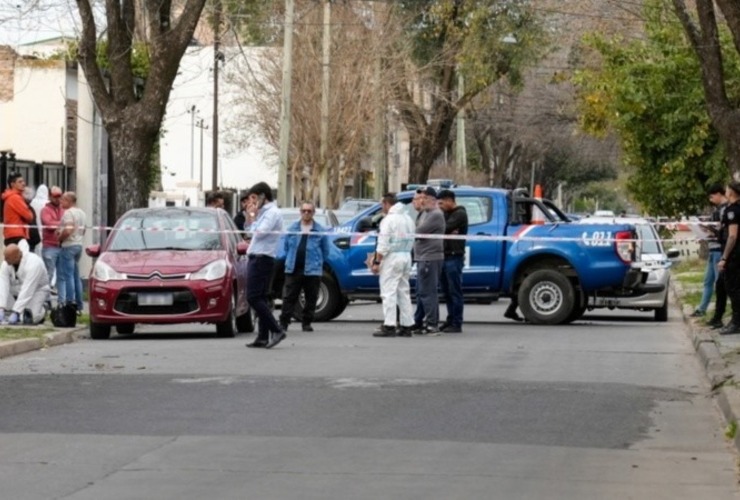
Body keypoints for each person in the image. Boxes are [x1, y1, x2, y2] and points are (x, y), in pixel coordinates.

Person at [244, 182, 286, 349]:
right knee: (260, 297)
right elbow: (248, 231)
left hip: (262, 258)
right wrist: (250, 217)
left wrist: (254, 217)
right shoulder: (263, 212)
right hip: (256, 256)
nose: (252, 202)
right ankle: (262, 336)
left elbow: (260, 233)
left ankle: (276, 330)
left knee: (253, 297)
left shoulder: (272, 213)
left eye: (254, 198)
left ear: (263, 196)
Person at [278, 201, 331, 332]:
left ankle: (306, 322)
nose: (306, 213)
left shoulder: (320, 230)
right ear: (300, 212)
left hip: (312, 269)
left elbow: (326, 250)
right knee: (289, 297)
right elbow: (286, 247)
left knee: (311, 297)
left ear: (313, 213)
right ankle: (284, 322)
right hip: (293, 268)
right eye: (304, 211)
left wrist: (318, 262)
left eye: (309, 211)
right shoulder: (292, 229)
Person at [372, 193, 416, 337]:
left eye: (381, 205)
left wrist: (377, 262)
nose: (381, 208)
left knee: (388, 292)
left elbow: (383, 244)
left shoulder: (389, 220)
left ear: (386, 203)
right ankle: (407, 325)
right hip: (406, 255)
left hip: (392, 258)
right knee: (403, 291)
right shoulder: (408, 218)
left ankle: (389, 325)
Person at [412, 186, 445, 334]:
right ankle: (418, 321)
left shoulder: (435, 214)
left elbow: (418, 232)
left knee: (428, 292)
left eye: (424, 198)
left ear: (432, 200)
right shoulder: (425, 214)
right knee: (421, 292)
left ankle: (432, 323)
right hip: (422, 257)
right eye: (420, 198)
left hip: (429, 258)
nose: (421, 201)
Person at [691, 184, 727, 318]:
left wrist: (708, 230)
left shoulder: (724, 210)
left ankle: (719, 313)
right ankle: (702, 308)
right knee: (708, 281)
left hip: (718, 249)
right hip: (712, 249)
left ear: (719, 194)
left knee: (719, 284)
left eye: (712, 197)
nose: (711, 200)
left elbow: (723, 231)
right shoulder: (717, 209)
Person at [438, 189, 468, 333]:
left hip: (454, 256)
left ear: (450, 201)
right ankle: (450, 319)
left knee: (455, 291)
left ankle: (457, 322)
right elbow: (442, 228)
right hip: (444, 255)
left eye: (442, 203)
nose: (440, 206)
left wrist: (446, 229)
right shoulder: (445, 214)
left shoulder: (460, 214)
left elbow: (444, 228)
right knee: (446, 291)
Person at [0, 244, 50, 325]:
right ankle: (10, 311)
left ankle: (43, 309)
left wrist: (16, 311)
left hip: (37, 289)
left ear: (16, 257)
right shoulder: (7, 263)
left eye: (7, 258)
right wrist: (1, 307)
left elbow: (28, 289)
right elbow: (3, 284)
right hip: (18, 287)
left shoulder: (34, 263)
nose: (5, 260)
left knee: (30, 318)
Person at [717, 182, 740, 335]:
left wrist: (724, 257)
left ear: (731, 192)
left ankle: (736, 323)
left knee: (733, 289)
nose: (724, 190)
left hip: (735, 256)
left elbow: (732, 236)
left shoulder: (732, 211)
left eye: (726, 189)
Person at [57, 192, 86, 312]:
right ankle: (79, 305)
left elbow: (68, 229)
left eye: (63, 200)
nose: (61, 202)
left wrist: (60, 237)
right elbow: (83, 231)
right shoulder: (82, 213)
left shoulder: (69, 213)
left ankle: (70, 303)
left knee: (68, 276)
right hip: (78, 245)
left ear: (69, 201)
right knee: (76, 276)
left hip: (68, 246)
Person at [40, 186, 65, 295]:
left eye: (60, 196)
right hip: (49, 246)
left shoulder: (63, 209)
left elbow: (68, 223)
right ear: (50, 196)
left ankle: (62, 301)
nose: (58, 199)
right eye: (55, 196)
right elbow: (48, 224)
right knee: (48, 274)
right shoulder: (45, 210)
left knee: (62, 274)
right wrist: (61, 224)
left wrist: (58, 224)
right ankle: (45, 300)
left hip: (62, 246)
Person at [2, 173, 34, 248]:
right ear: (12, 184)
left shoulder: (12, 197)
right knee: (23, 258)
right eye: (20, 182)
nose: (23, 184)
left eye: (23, 181)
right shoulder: (15, 198)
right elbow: (29, 217)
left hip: (13, 235)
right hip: (17, 235)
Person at [30, 184, 48, 255]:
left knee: (36, 251)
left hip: (34, 230)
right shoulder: (48, 203)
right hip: (45, 231)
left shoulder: (32, 202)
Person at [23, 186, 41, 253]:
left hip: (32, 240)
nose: (30, 198)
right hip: (27, 240)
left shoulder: (30, 208)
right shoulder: (25, 208)